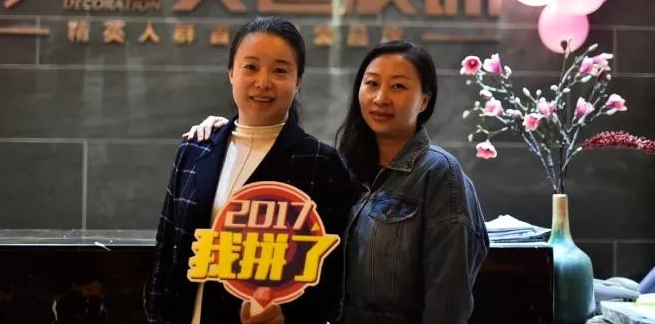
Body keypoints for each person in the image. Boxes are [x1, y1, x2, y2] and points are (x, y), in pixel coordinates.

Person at [186, 40, 489, 324]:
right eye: (371, 84)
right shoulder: (344, 167)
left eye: (398, 86)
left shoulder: (439, 174)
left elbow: (449, 300)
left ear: (424, 100)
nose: (380, 98)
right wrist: (230, 132)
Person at [145, 16, 355, 324]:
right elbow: (166, 251)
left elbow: (333, 274)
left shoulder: (321, 163)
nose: (263, 82)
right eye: (251, 67)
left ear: (298, 81)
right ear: (231, 72)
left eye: (280, 70)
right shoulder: (195, 150)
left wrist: (287, 316)